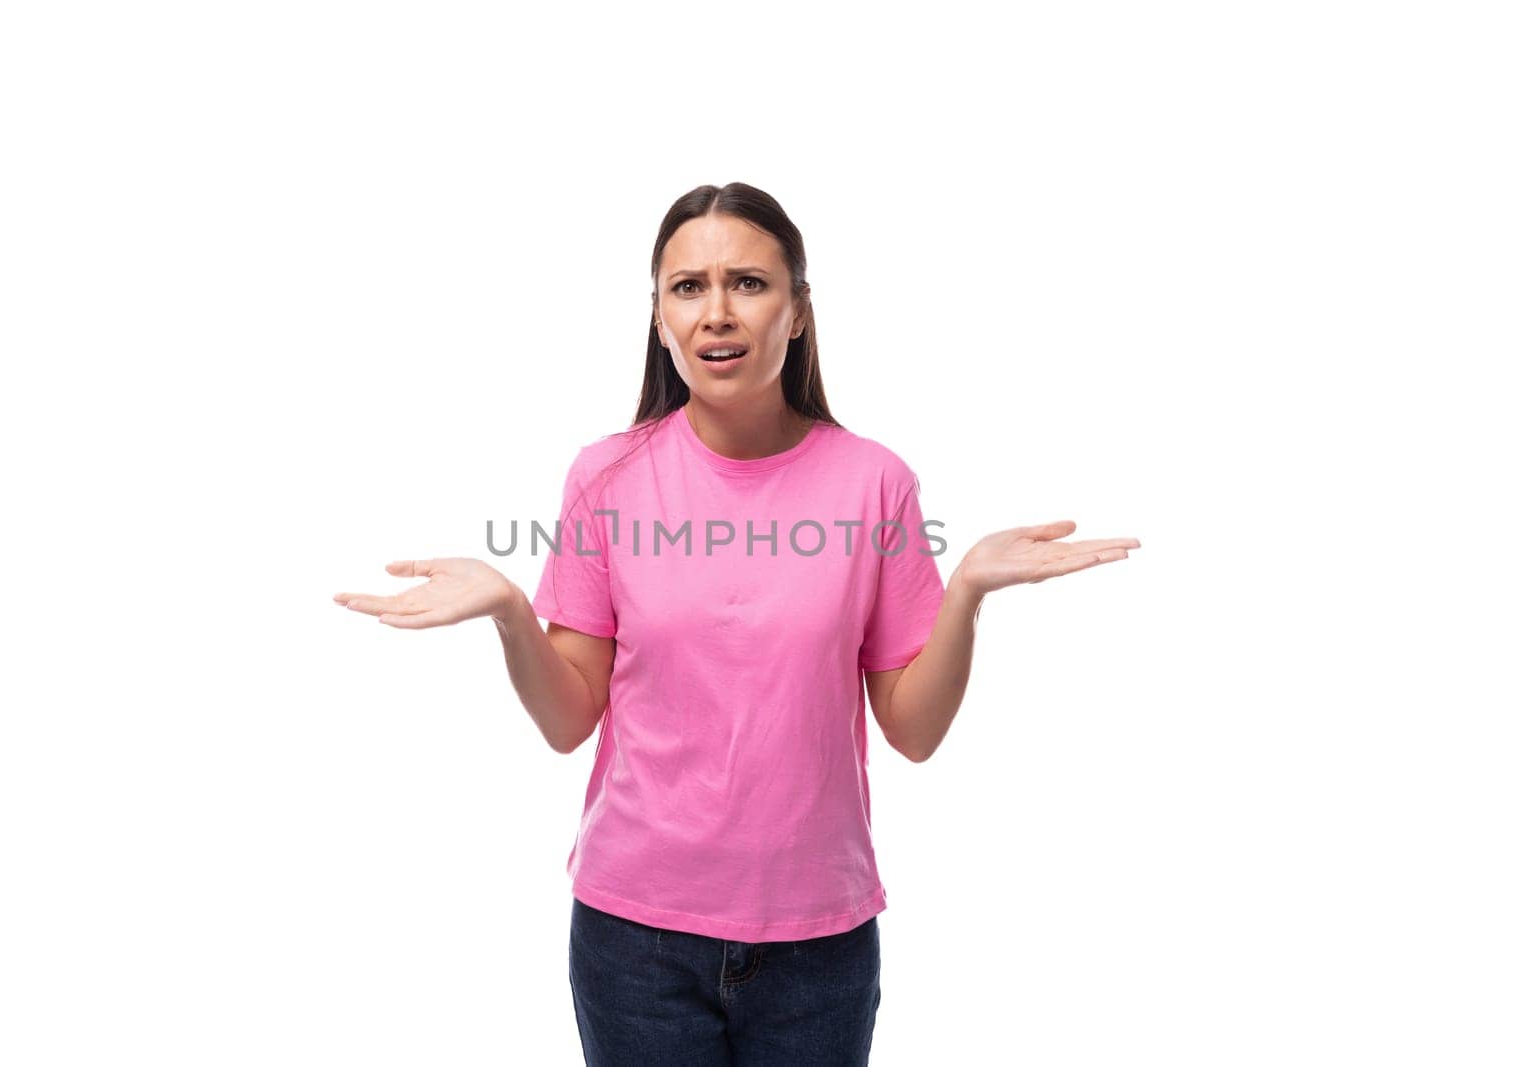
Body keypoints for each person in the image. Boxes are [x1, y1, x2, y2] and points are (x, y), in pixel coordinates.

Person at [333, 182, 1141, 1065]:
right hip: (634, 935)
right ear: (658, 317)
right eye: (688, 287)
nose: (718, 312)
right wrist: (508, 611)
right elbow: (570, 720)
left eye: (749, 284)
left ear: (797, 313)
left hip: (819, 940)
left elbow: (913, 730)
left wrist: (969, 591)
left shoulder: (876, 483)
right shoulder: (606, 478)